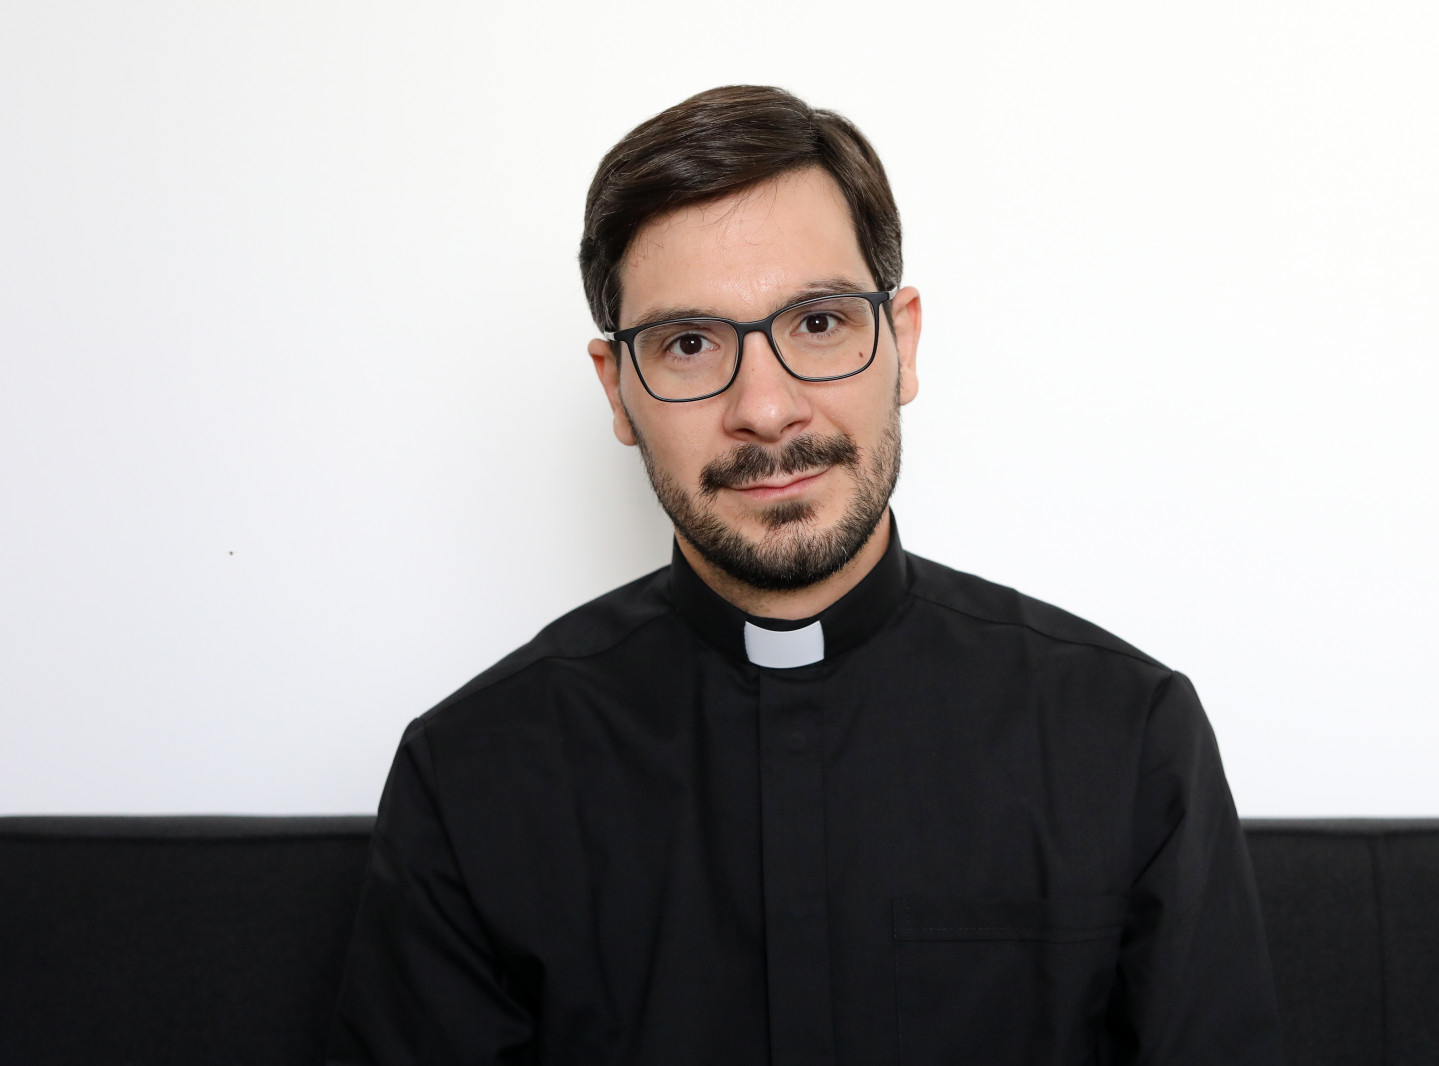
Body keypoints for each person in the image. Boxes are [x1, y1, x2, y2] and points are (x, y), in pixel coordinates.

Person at [329, 85, 1283, 1065]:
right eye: (689, 343)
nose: (766, 407)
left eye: (818, 322)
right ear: (618, 392)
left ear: (902, 343)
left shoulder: (1125, 736)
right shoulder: (472, 774)